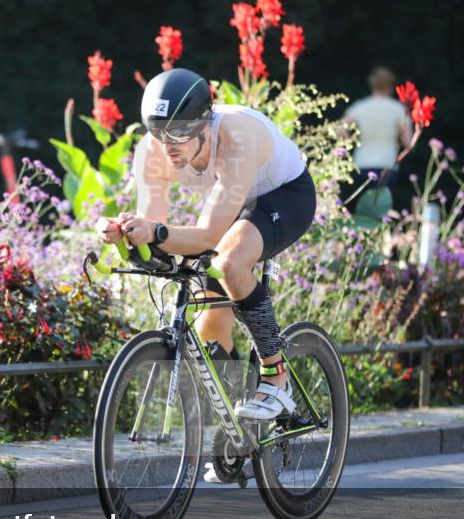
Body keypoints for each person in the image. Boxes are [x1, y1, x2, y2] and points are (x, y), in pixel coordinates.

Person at [97, 68, 316, 421]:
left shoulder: (235, 136)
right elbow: (157, 232)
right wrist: (129, 234)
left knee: (229, 261)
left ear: (204, 123)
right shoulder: (153, 152)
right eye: (158, 132)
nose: (168, 145)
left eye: (181, 132)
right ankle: (233, 429)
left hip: (283, 196)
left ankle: (276, 374)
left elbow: (210, 236)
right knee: (209, 324)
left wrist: (156, 232)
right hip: (232, 202)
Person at [343, 66, 412, 193]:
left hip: (360, 165)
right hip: (387, 166)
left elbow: (341, 133)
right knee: (381, 211)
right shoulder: (399, 109)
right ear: (391, 85)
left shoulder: (359, 107)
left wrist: (352, 140)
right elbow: (408, 143)